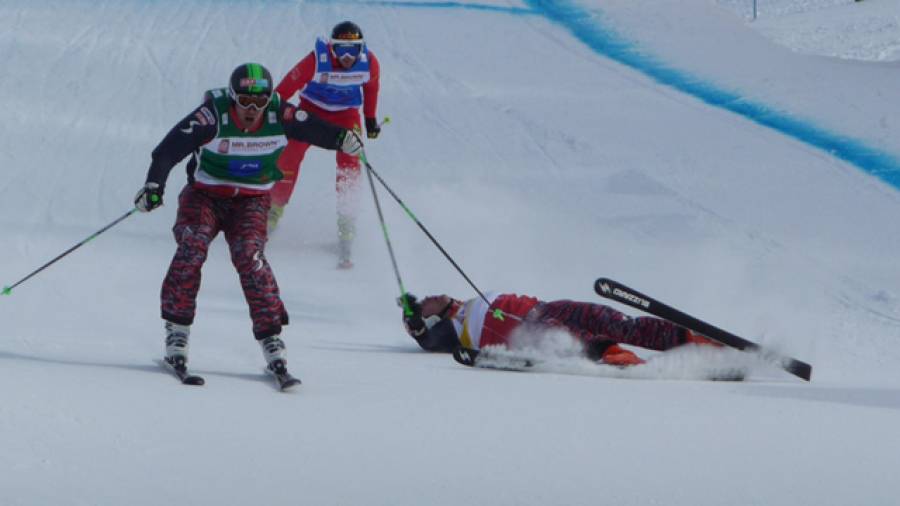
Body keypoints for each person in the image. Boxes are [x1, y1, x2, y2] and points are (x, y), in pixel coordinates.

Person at [134, 62, 364, 384]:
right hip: (205, 196)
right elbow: (166, 151)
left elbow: (313, 128)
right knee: (192, 246)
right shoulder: (212, 116)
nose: (253, 109)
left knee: (250, 256)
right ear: (232, 98)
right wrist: (153, 187)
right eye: (245, 101)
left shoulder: (278, 114)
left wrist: (343, 138)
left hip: (251, 201)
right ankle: (177, 332)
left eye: (260, 101)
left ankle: (271, 339)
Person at [270, 20, 382, 269]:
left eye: (353, 50)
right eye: (341, 49)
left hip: (346, 114)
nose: (346, 56)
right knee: (289, 155)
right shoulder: (316, 60)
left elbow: (372, 89)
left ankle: (347, 224)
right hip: (311, 112)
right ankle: (273, 210)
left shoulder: (369, 63)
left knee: (350, 162)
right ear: (331, 48)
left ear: (361, 49)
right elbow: (285, 87)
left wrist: (371, 119)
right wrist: (271, 113)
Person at [398, 291, 720, 366]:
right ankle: (611, 354)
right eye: (426, 301)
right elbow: (427, 341)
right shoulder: (451, 330)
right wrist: (413, 320)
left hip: (545, 306)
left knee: (607, 317)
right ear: (430, 319)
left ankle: (687, 339)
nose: (430, 296)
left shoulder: (462, 304)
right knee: (562, 335)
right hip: (523, 326)